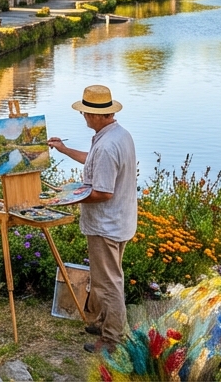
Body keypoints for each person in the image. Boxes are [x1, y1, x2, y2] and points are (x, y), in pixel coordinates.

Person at [46, 84, 137, 353]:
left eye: (85, 112)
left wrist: (68, 198)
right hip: (119, 221)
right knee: (107, 278)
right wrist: (64, 150)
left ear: (98, 115)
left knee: (108, 283)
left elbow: (103, 192)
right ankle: (104, 322)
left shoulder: (108, 145)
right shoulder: (118, 135)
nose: (83, 116)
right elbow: (93, 162)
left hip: (106, 224)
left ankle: (111, 340)